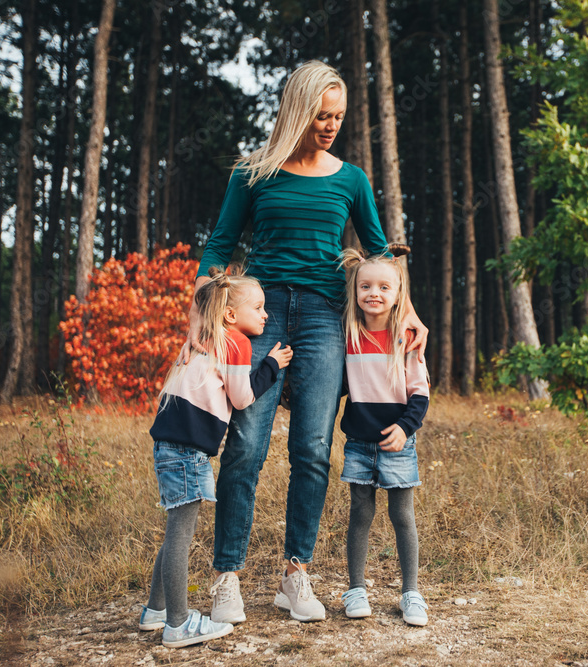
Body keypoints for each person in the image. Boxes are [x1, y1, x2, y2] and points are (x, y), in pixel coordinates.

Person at [190, 60, 428, 624]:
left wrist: (409, 310)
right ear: (298, 110)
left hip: (325, 319)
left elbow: (380, 250)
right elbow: (219, 244)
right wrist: (201, 316)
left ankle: (296, 574)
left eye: (338, 117)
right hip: (261, 315)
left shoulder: (351, 179)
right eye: (322, 115)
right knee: (246, 444)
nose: (330, 126)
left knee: (313, 450)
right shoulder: (253, 173)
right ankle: (228, 578)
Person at [140, 268, 293, 648]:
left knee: (175, 530)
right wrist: (272, 366)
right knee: (180, 535)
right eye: (258, 307)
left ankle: (155, 610)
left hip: (169, 444)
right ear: (230, 315)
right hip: (189, 450)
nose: (265, 315)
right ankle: (177, 624)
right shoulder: (236, 342)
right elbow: (242, 398)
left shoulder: (202, 336)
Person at [337, 248, 430, 627]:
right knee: (360, 514)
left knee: (402, 516)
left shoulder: (406, 338)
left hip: (397, 443)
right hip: (358, 443)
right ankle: (356, 588)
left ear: (398, 294)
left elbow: (421, 394)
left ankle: (411, 592)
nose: (373, 293)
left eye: (383, 287)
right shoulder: (349, 334)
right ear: (355, 291)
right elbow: (342, 384)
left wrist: (405, 428)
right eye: (365, 286)